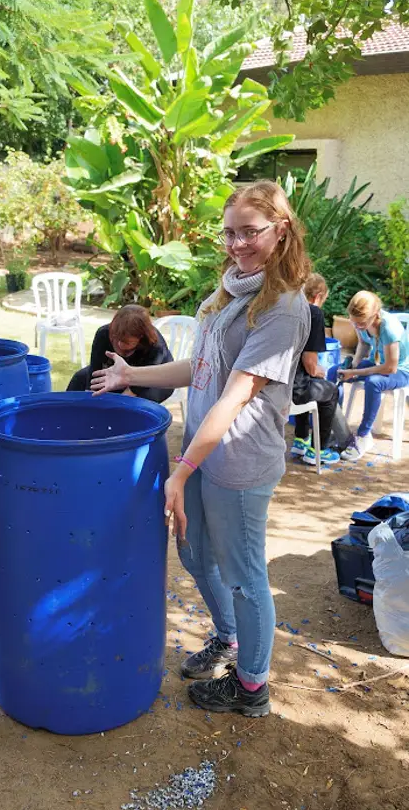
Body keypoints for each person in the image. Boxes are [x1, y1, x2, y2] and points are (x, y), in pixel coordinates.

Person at [91, 180, 310, 717]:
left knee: (241, 570)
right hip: (203, 451)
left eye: (250, 233)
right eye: (229, 233)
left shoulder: (282, 308)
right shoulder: (232, 289)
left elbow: (237, 395)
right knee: (194, 553)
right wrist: (129, 374)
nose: (237, 244)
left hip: (238, 463)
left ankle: (251, 686)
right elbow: (203, 368)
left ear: (280, 230)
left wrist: (181, 472)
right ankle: (229, 636)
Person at [328, 291, 409, 461]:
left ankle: (364, 437)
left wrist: (355, 373)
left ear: (374, 315)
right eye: (354, 322)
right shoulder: (359, 322)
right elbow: (364, 343)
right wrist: (354, 365)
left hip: (400, 371)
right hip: (377, 363)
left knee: (373, 382)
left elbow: (390, 368)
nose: (356, 326)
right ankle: (336, 428)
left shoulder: (389, 327)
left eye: (361, 323)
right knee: (334, 372)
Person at [291, 273, 353, 465]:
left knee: (310, 385)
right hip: (293, 391)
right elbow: (310, 363)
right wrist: (320, 370)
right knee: (330, 390)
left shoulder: (288, 308)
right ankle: (320, 449)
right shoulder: (313, 313)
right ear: (318, 296)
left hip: (278, 384)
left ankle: (301, 439)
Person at [67, 304, 174, 404]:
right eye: (115, 338)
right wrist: (90, 398)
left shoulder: (155, 345)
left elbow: (144, 381)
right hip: (120, 372)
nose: (119, 345)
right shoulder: (103, 333)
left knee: (135, 401)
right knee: (80, 378)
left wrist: (119, 403)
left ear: (141, 336)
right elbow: (95, 371)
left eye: (126, 342)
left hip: (155, 379)